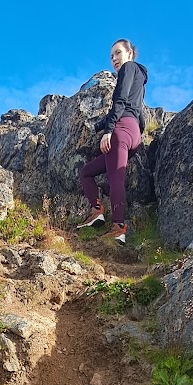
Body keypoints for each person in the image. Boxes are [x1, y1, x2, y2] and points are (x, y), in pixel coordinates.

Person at [77, 39, 148, 243]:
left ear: (130, 54)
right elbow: (138, 113)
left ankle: (118, 227)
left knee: (116, 179)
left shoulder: (128, 69)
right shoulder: (140, 81)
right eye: (111, 56)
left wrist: (108, 131)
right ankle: (96, 210)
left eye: (118, 53)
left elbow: (120, 101)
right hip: (133, 133)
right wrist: (99, 125)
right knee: (86, 172)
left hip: (121, 131)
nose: (114, 59)